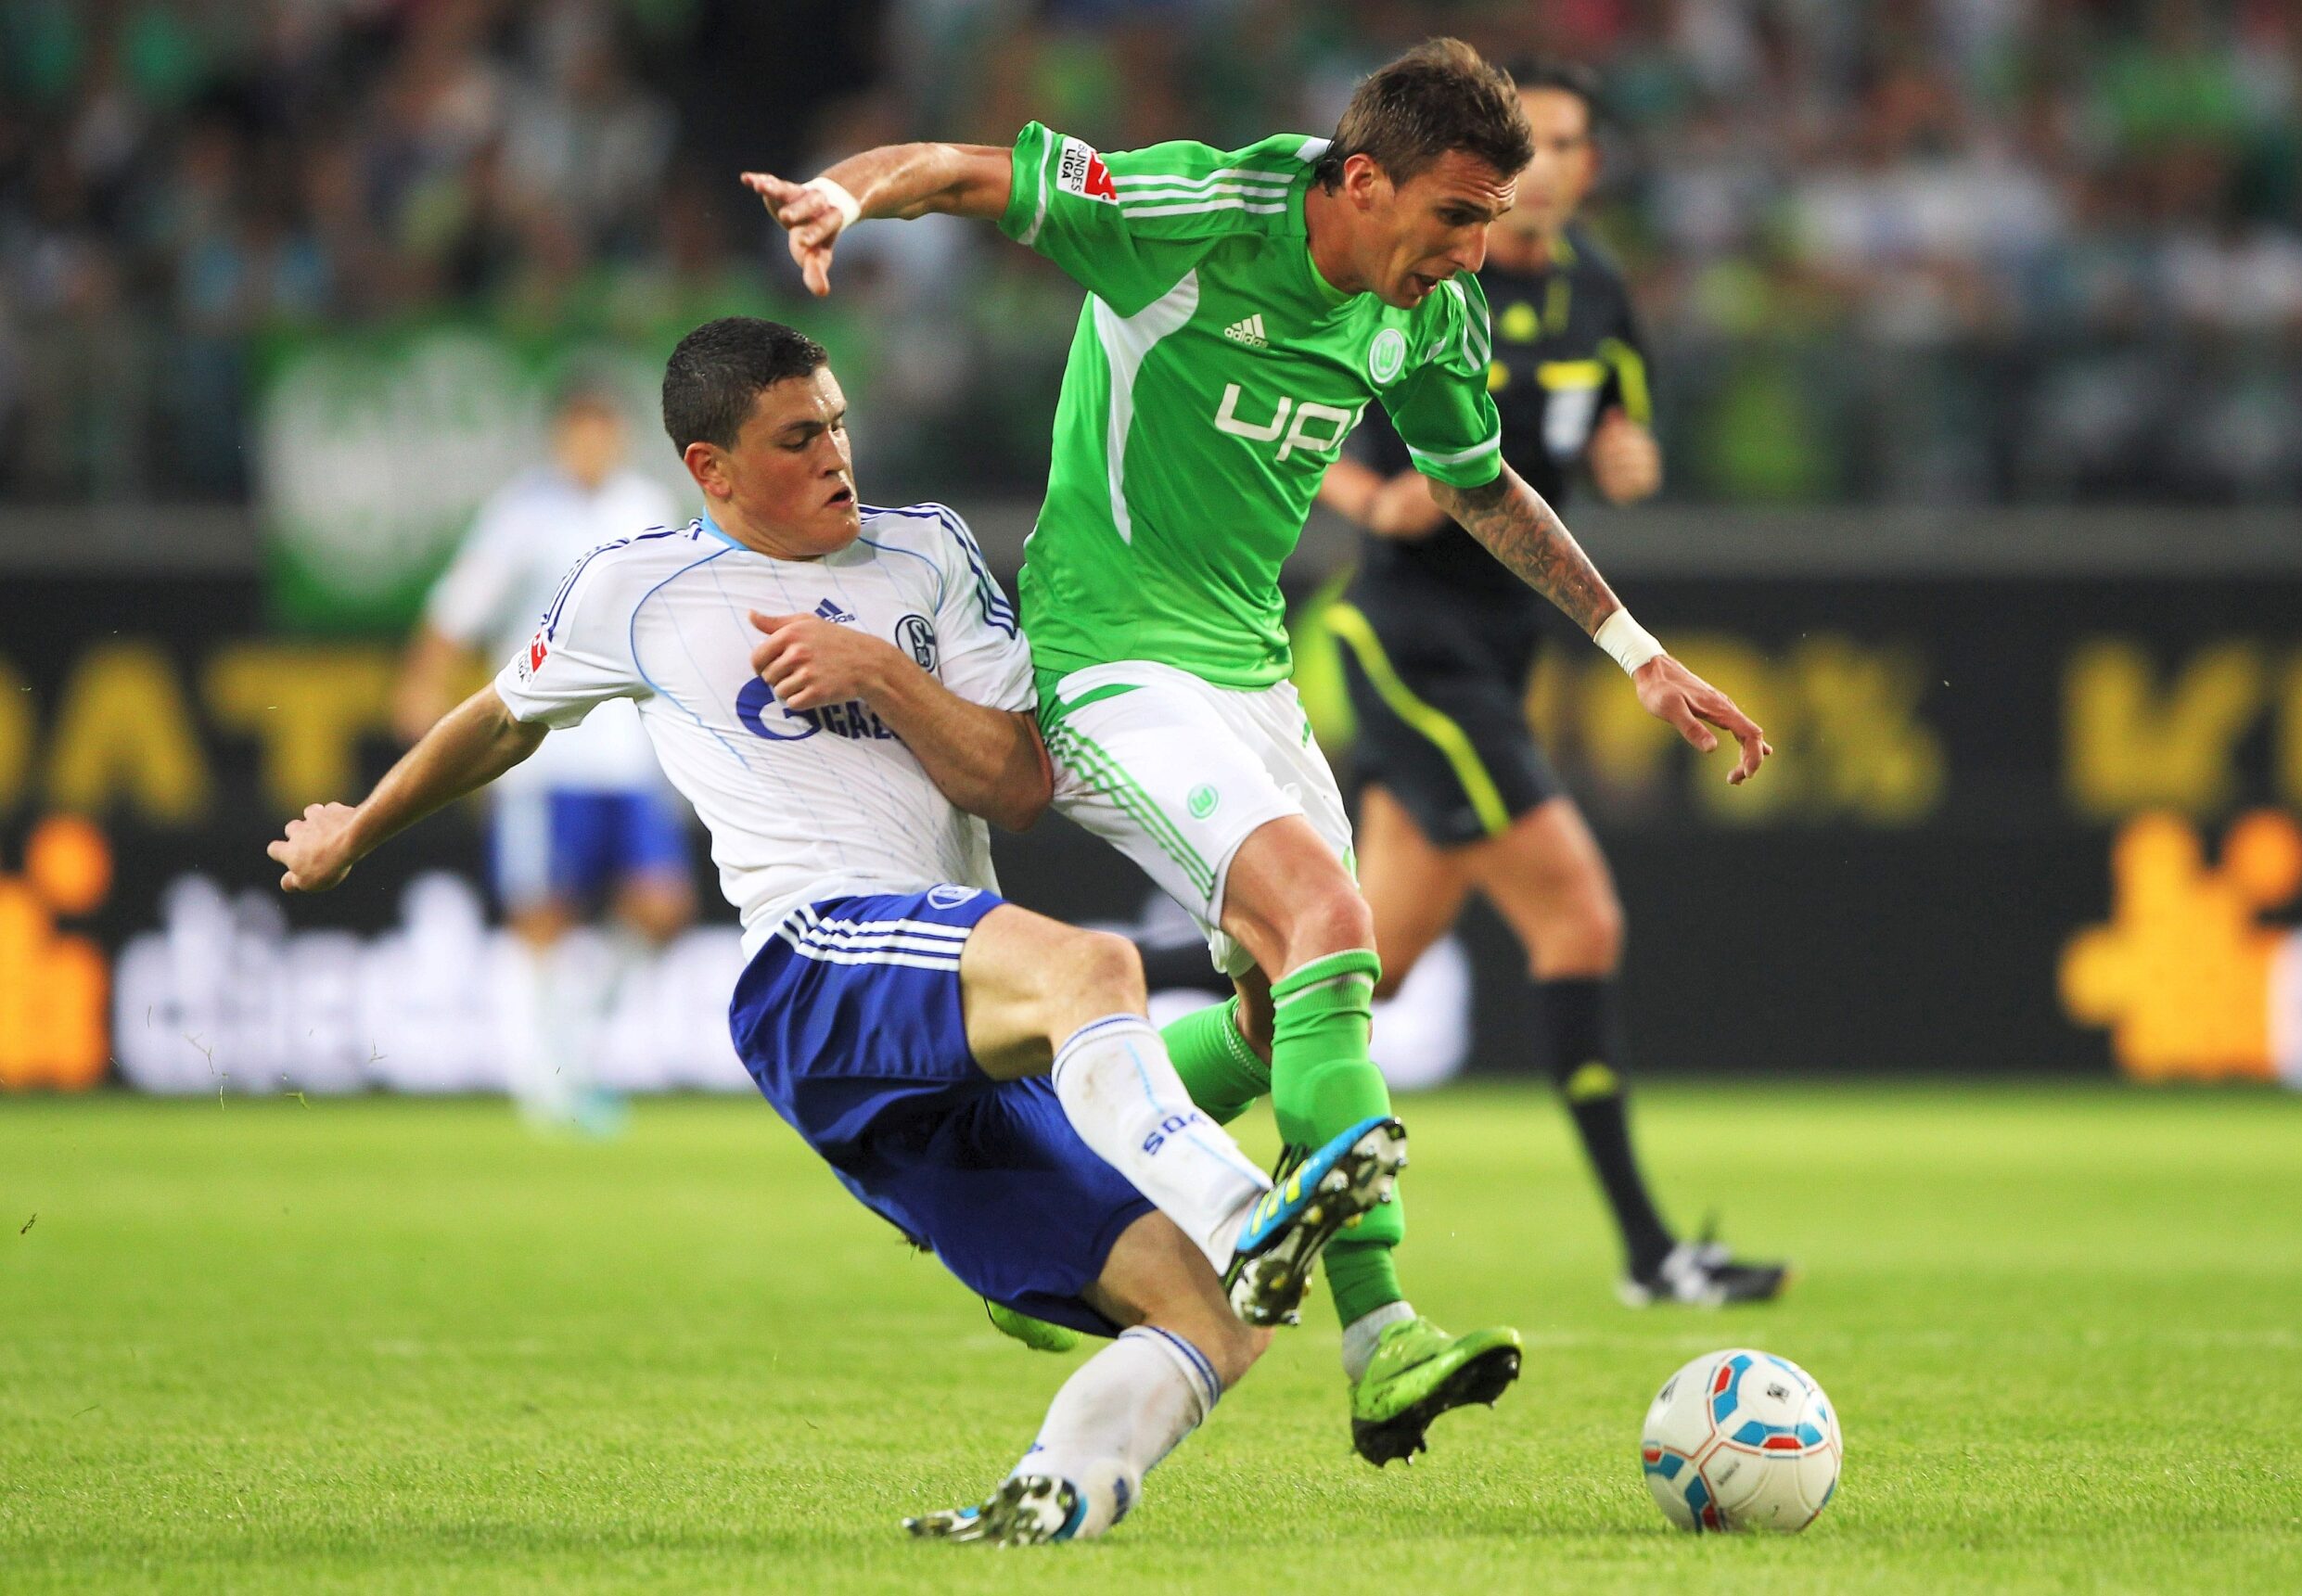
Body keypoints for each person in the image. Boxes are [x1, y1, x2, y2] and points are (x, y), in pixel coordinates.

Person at [743, 36, 1771, 1464]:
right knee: (1330, 924)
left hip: (1247, 670)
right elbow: (972, 175)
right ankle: (1384, 1328)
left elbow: (1479, 489)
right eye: (1459, 216)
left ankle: (1053, 1181)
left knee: (1291, 998)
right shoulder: (1196, 216)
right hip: (1110, 655)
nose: (1478, 253)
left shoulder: (1427, 318)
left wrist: (1637, 651)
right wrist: (848, 199)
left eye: (1490, 222)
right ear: (1361, 180)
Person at [269, 317, 1404, 1544]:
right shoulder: (634, 586)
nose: (837, 456)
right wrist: (359, 828)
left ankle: (1060, 1491)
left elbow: (1017, 783)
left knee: (1222, 1319)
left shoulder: (924, 555)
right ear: (712, 470)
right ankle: (1250, 1213)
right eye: (797, 436)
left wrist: (878, 670)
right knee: (1096, 965)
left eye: (840, 423)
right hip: (814, 964)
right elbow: (501, 718)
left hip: (945, 1014)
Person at [1314, 59, 1789, 1309]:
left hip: (1504, 647)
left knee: (1362, 961)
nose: (1556, 168)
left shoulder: (1596, 292)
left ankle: (1109, 1026)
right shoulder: (1415, 285)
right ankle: (1650, 1254)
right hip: (1408, 640)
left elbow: (1619, 438)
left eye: (1576, 145)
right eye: (1543, 145)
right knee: (1578, 916)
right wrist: (1390, 499)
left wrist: (1635, 462)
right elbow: (1317, 450)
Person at [390, 380, 695, 1130]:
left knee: (662, 904)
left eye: (602, 431)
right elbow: (458, 608)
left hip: (628, 751)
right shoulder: (521, 515)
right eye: (578, 432)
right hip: (542, 755)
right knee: (541, 915)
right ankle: (542, 1084)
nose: (590, 447)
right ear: (561, 438)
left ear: (618, 436)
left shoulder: (645, 511)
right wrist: (423, 684)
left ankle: (571, 1040)